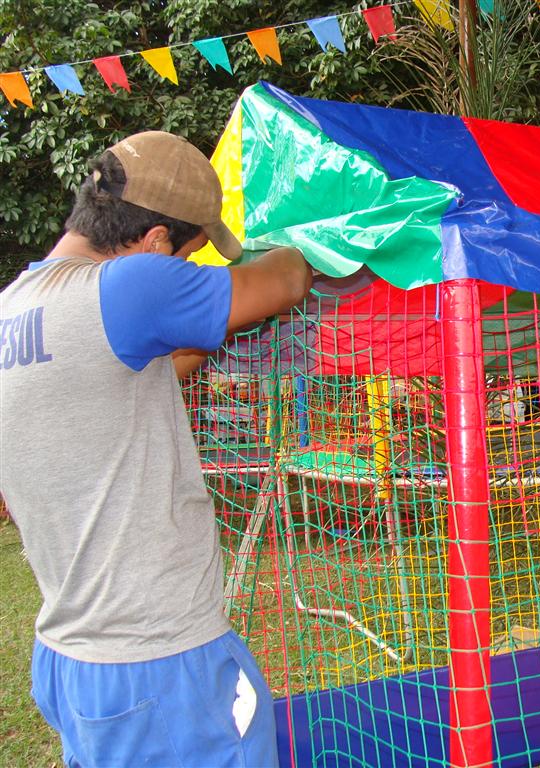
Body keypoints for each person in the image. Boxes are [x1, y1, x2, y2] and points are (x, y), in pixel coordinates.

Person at [0, 131, 312, 767]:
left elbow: (114, 395)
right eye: (190, 256)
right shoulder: (129, 287)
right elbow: (286, 279)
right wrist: (304, 238)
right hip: (160, 662)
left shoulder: (15, 308)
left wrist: (197, 334)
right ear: (155, 243)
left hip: (73, 657)